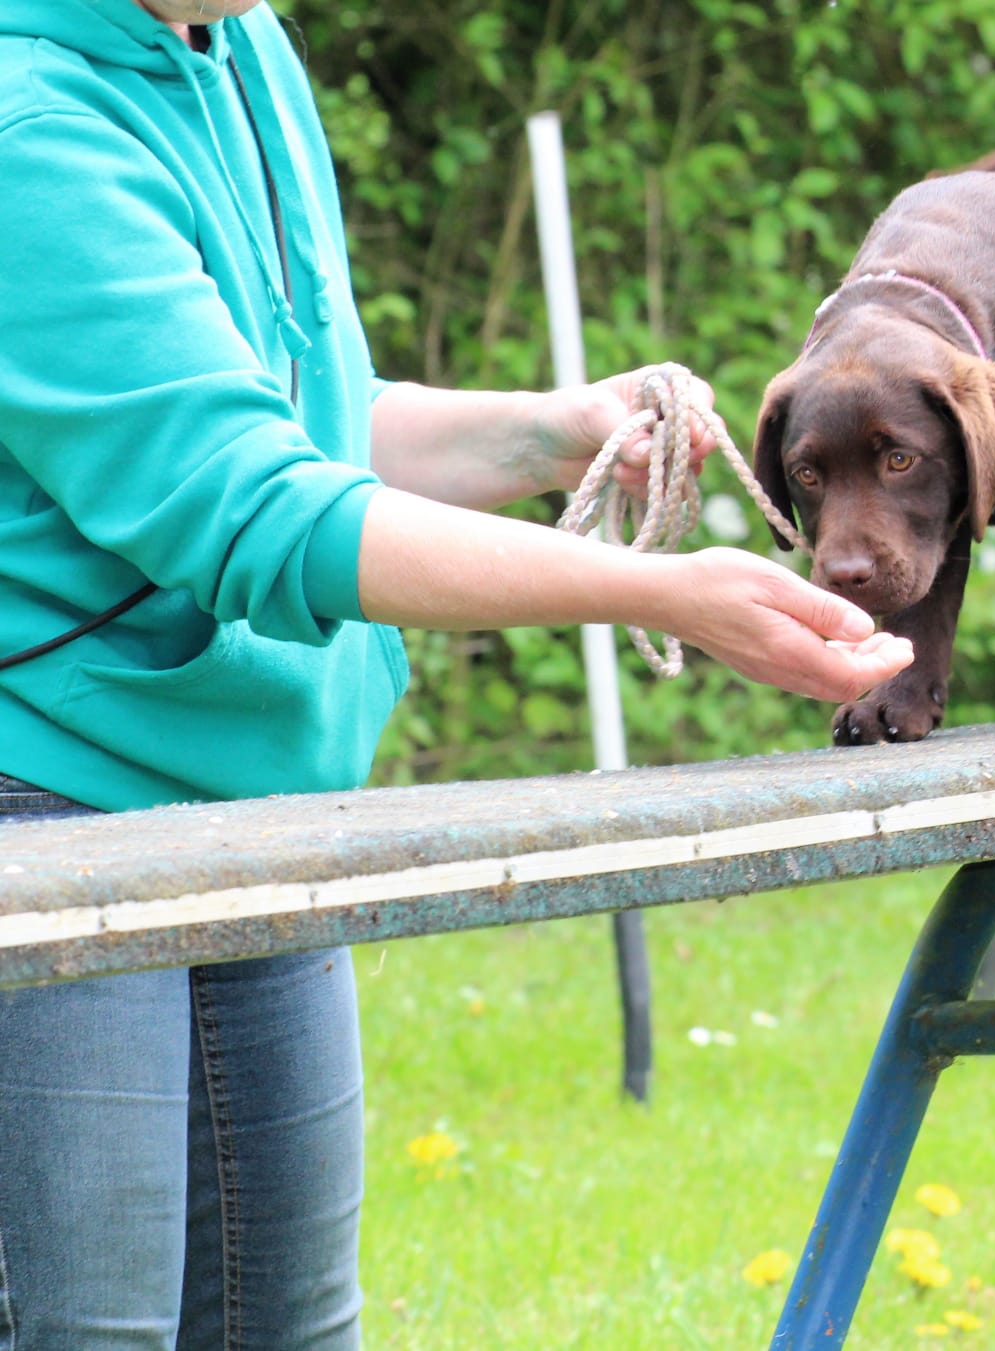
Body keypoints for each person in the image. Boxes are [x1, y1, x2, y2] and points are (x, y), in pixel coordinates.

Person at [0, 0, 914, 1346]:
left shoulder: (237, 46)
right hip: (51, 803)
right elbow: (251, 512)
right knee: (93, 1334)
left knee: (290, 1330)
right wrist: (653, 594)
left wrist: (554, 434)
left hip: (263, 807)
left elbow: (301, 419)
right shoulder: (31, 130)